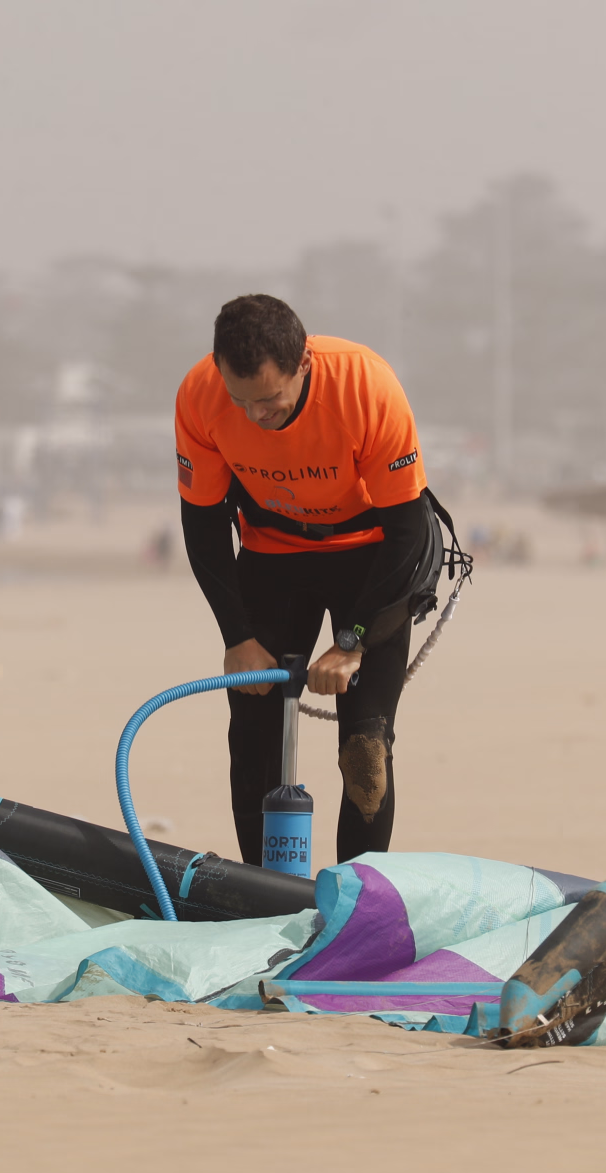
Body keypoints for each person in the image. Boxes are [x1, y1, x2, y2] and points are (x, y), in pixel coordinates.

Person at [176, 294, 435, 866]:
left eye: (270, 400)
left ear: (304, 365)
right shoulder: (200, 393)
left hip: (371, 558)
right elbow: (203, 525)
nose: (254, 417)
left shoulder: (365, 386)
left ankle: (353, 904)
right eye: (240, 400)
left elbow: (406, 534)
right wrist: (236, 636)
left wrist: (354, 642)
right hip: (272, 556)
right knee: (252, 731)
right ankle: (262, 896)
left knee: (365, 746)